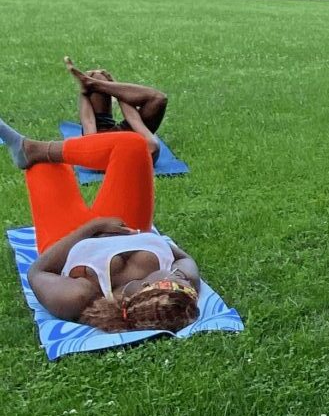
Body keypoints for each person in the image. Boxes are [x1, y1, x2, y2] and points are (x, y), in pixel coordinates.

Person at [0, 121, 200, 333]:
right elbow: (183, 258)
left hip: (66, 237)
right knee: (133, 145)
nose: (181, 277)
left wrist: (93, 227)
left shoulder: (79, 296)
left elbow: (37, 272)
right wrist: (147, 238)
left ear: (146, 288)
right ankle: (34, 148)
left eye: (177, 280)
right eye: (186, 284)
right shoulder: (184, 284)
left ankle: (32, 152)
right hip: (125, 222)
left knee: (44, 166)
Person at [64, 56, 168, 162]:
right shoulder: (149, 143)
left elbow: (88, 122)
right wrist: (114, 85)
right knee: (159, 99)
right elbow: (132, 118)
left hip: (102, 140)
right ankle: (92, 83)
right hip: (125, 137)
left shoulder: (98, 151)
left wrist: (84, 93)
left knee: (98, 77)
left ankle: (90, 83)